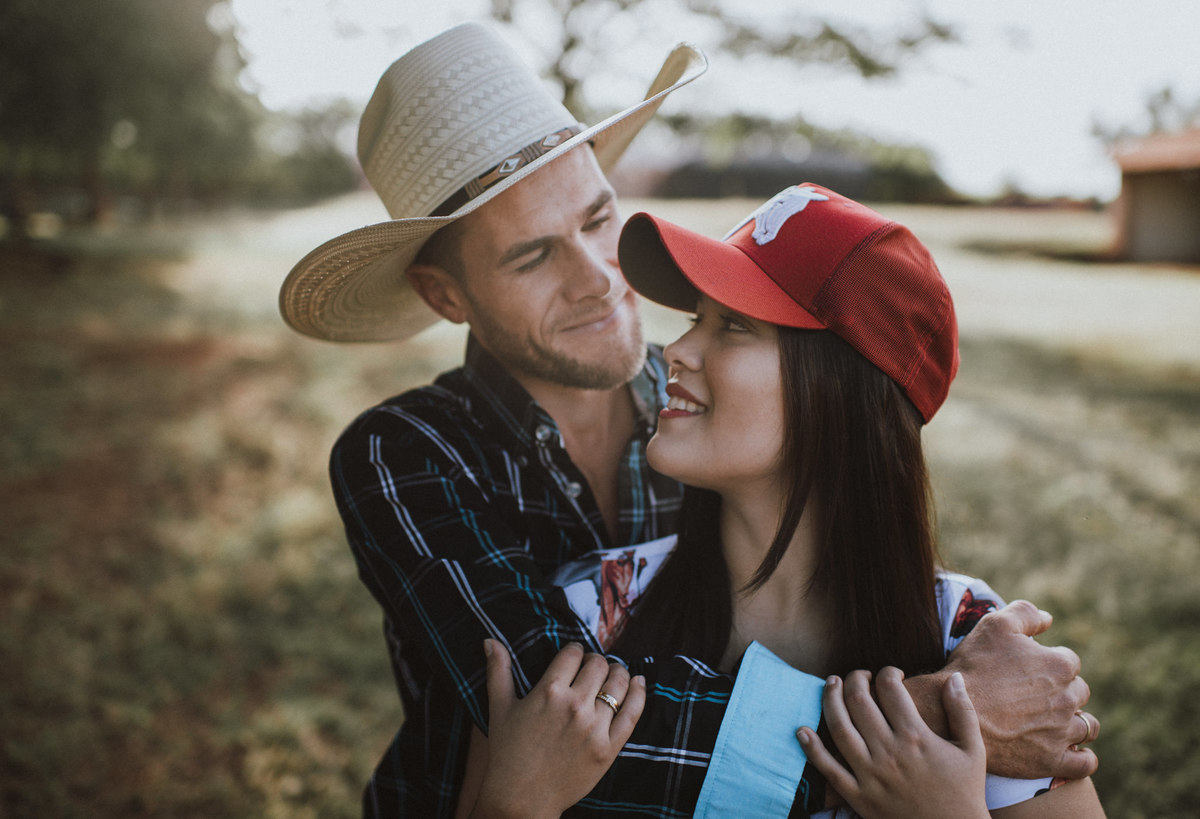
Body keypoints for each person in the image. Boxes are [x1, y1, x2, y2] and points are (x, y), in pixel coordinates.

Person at [278, 22, 1099, 818]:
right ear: (444, 295)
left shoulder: (706, 429)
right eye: (532, 255)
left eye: (599, 220)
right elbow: (559, 729)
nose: (600, 278)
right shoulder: (409, 455)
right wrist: (920, 724)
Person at [466, 184, 1105, 817]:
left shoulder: (976, 645)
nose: (678, 351)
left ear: (843, 395)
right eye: (695, 320)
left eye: (734, 326)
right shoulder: (589, 611)